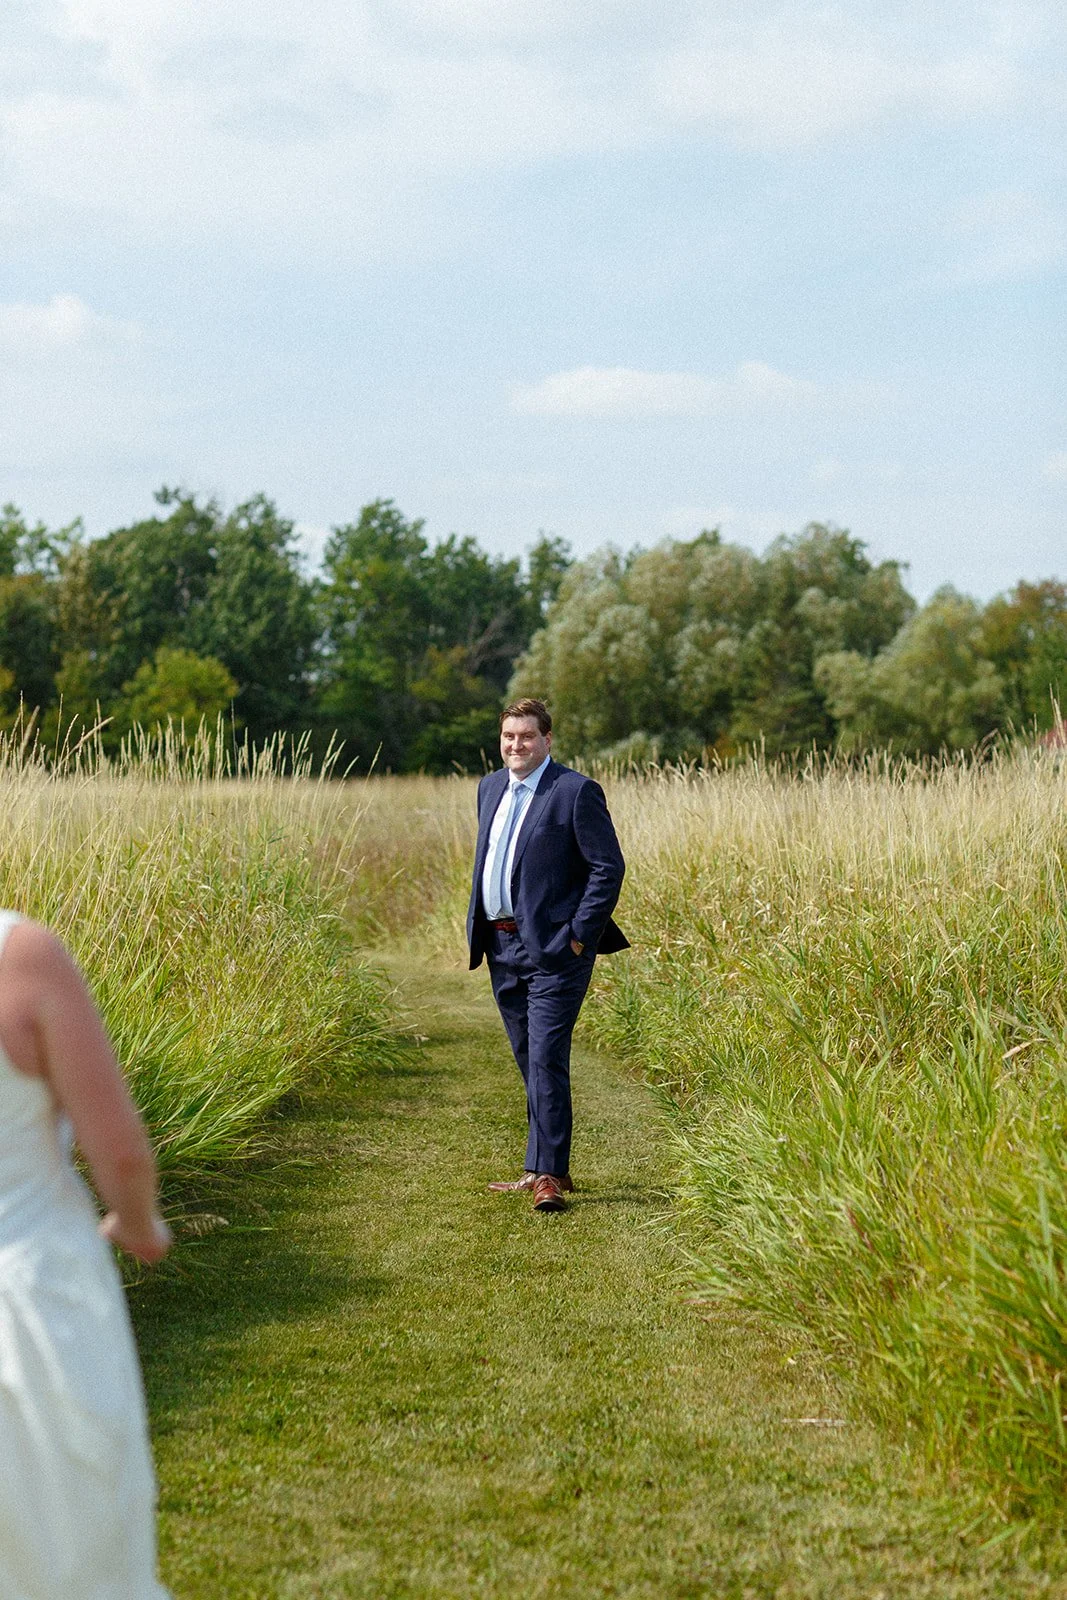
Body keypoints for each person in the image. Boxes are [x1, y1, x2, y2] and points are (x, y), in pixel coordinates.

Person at [0, 909, 172, 1599]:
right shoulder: (22, 955)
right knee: (74, 1560)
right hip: (31, 1305)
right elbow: (122, 1153)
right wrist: (140, 1226)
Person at [467, 697, 628, 1211]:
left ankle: (550, 1176)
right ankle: (540, 1165)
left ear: (547, 740)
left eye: (527, 736)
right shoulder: (489, 787)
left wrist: (579, 936)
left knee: (545, 1056)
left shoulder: (575, 792)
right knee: (526, 1054)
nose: (516, 745)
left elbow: (608, 868)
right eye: (509, 736)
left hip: (557, 950)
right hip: (501, 943)